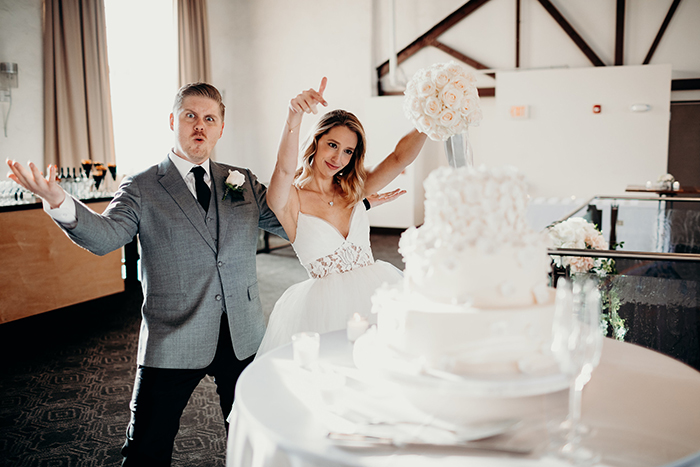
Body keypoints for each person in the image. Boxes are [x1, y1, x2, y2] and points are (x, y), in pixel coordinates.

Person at [6, 82, 286, 466]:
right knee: (146, 450)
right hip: (173, 336)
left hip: (243, 332)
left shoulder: (242, 180)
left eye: (209, 118)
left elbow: (291, 223)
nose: (199, 126)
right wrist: (58, 200)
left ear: (221, 128)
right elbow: (106, 237)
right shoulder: (141, 187)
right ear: (173, 121)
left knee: (257, 437)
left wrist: (356, 198)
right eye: (190, 116)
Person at [256, 77, 427, 354]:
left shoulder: (354, 189)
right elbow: (284, 170)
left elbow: (399, 158)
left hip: (376, 292)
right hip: (325, 310)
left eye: (348, 151)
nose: (339, 158)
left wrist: (429, 116)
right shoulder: (290, 200)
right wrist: (294, 115)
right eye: (332, 145)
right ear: (316, 141)